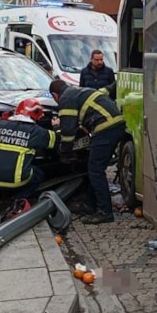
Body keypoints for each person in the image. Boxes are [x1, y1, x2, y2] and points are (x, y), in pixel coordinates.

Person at [49, 79, 125, 224]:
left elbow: (68, 132)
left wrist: (64, 152)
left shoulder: (66, 99)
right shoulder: (77, 92)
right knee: (93, 167)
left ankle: (105, 212)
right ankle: (90, 204)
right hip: (115, 125)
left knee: (95, 170)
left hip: (105, 128)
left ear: (55, 95)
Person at [0, 98, 59, 217]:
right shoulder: (36, 131)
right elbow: (55, 141)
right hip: (17, 182)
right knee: (38, 174)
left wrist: (1, 119)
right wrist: (56, 126)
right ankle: (18, 199)